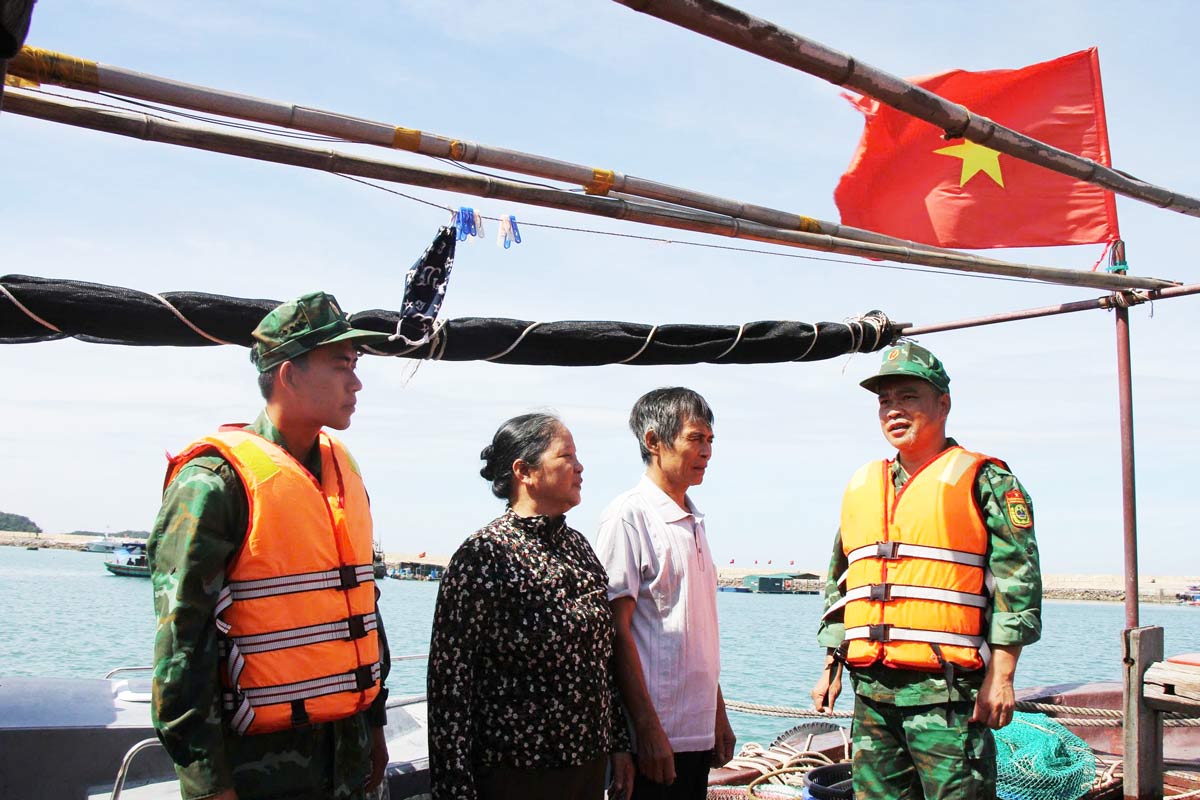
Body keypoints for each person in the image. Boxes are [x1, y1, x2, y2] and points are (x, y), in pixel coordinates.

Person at [148, 292, 393, 800]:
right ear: (289, 374)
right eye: (341, 364)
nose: (357, 381)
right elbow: (182, 647)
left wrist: (374, 725)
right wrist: (206, 783)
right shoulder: (213, 483)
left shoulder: (343, 473)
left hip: (345, 759)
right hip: (257, 773)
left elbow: (360, 604)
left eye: (355, 365)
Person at [811, 342, 1042, 799]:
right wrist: (831, 664)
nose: (894, 410)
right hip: (873, 694)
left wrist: (1003, 675)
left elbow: (1018, 581)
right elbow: (844, 583)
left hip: (947, 697)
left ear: (943, 403)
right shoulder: (864, 485)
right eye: (884, 401)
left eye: (908, 397)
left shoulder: (986, 479)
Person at [427, 413, 634, 800]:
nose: (580, 466)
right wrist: (453, 788)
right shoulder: (484, 555)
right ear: (524, 471)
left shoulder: (580, 549)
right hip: (515, 773)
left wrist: (619, 743)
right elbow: (449, 685)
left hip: (587, 766)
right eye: (566, 456)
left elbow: (603, 661)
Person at [596, 387, 735, 800]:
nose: (707, 451)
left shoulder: (693, 521)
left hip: (695, 734)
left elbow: (698, 633)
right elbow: (613, 631)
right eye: (696, 438)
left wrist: (718, 712)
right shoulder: (629, 516)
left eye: (710, 440)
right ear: (653, 441)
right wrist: (645, 729)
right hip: (653, 741)